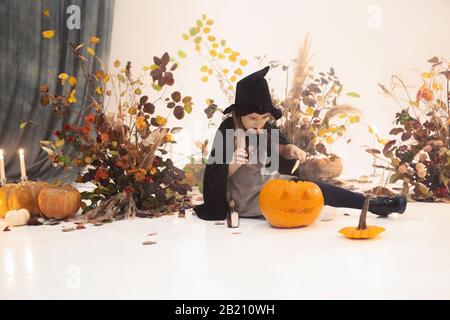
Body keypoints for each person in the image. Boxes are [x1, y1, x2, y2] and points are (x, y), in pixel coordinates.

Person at [193, 66, 407, 221]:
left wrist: (290, 149)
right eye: (252, 119)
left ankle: (372, 204)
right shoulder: (229, 131)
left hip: (274, 184)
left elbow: (279, 148)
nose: (259, 124)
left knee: (315, 189)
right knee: (300, 204)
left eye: (264, 118)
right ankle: (368, 205)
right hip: (247, 198)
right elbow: (216, 175)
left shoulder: (264, 128)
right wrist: (233, 164)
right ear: (239, 115)